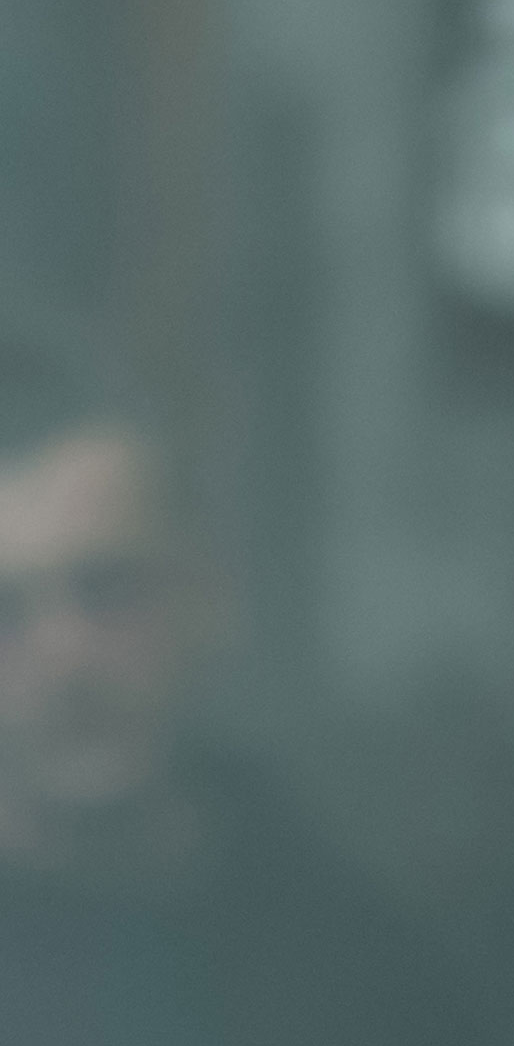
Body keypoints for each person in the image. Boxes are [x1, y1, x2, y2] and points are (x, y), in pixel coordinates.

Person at [0, 331, 471, 1045]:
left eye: (110, 589)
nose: (66, 656)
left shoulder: (356, 957)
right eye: (5, 611)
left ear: (206, 596)